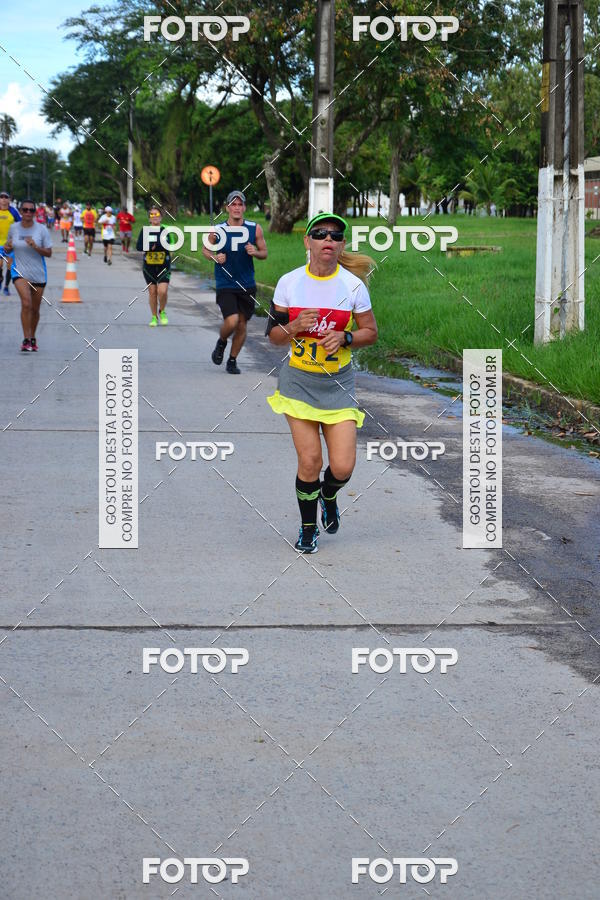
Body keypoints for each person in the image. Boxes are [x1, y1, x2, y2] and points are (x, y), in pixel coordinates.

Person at [266, 213, 378, 553]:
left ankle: (329, 494)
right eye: (320, 233)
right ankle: (307, 528)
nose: (327, 239)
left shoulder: (353, 286)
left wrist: (345, 337)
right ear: (308, 242)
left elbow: (370, 333)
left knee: (342, 466)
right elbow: (273, 336)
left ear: (342, 245)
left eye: (335, 235)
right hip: (298, 382)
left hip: (338, 384)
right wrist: (295, 325)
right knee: (311, 460)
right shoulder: (289, 283)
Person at [203, 190, 267, 374]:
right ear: (228, 208)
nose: (237, 208)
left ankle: (232, 360)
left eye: (240, 204)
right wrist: (216, 258)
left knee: (242, 325)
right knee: (231, 321)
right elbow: (205, 251)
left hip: (247, 284)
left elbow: (264, 253)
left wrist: (255, 252)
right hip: (226, 284)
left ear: (244, 207)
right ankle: (221, 342)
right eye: (234, 204)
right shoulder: (218, 230)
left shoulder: (255, 228)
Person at [3, 198, 52, 352]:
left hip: (38, 273)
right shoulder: (14, 228)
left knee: (35, 310)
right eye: (25, 210)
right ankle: (26, 339)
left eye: (31, 210)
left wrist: (35, 246)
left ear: (35, 213)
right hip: (19, 272)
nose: (28, 213)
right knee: (26, 304)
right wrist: (7, 248)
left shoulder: (42, 230)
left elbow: (49, 253)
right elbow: (9, 249)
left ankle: (33, 337)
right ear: (21, 211)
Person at [135, 206, 171, 326]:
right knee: (152, 292)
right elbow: (139, 246)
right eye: (152, 215)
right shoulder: (145, 230)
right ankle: (154, 317)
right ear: (149, 218)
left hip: (163, 265)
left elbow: (171, 247)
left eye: (157, 215)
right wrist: (150, 247)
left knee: (162, 291)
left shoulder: (165, 230)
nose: (155, 217)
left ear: (161, 217)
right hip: (149, 266)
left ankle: (162, 311)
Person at [0, 191, 21, 296]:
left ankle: (6, 287)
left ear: (9, 200)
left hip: (10, 244)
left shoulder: (13, 211)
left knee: (9, 266)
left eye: (6, 197)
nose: (3, 199)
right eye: (1, 197)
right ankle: (0, 280)